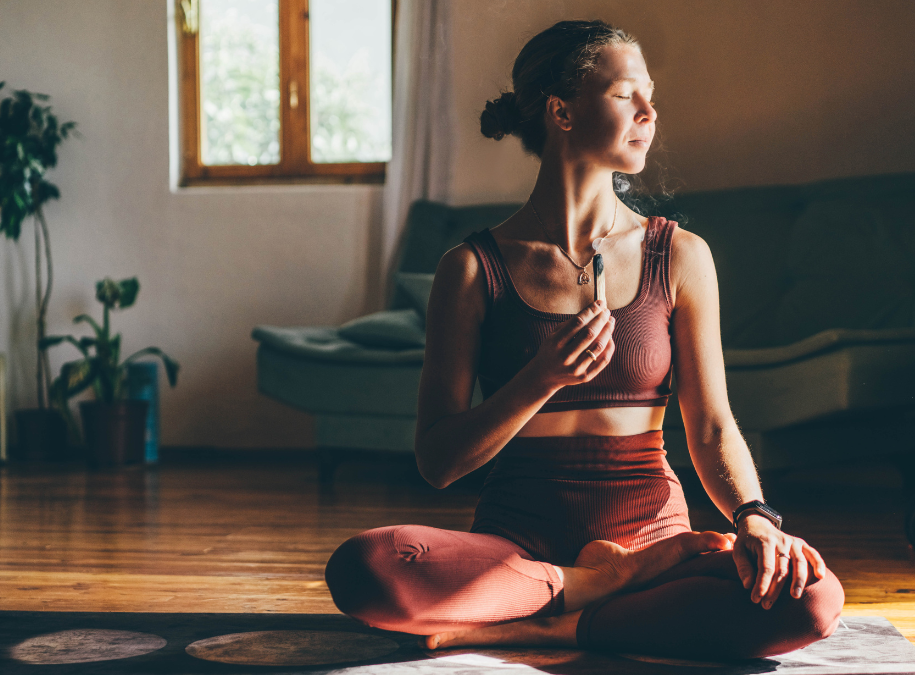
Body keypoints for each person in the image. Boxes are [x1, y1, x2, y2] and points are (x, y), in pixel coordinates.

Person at [324, 19, 844, 662]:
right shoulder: (470, 269)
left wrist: (755, 517)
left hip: (657, 542)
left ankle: (558, 624)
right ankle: (600, 591)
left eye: (651, 96)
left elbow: (711, 426)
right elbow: (439, 461)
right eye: (628, 94)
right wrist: (540, 378)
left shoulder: (678, 255)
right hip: (517, 547)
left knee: (812, 598)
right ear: (561, 111)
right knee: (368, 567)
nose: (650, 113)